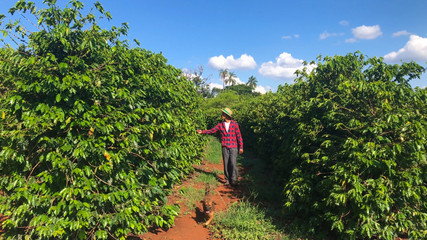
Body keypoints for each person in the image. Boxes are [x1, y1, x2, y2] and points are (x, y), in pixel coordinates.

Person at [197, 108, 243, 186]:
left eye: (223, 114)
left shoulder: (235, 124)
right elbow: (212, 130)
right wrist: (203, 132)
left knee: (233, 163)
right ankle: (227, 180)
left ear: (227, 115)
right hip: (225, 146)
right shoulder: (220, 125)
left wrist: (241, 147)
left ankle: (234, 180)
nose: (222, 115)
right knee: (226, 163)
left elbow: (239, 136)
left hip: (233, 147)